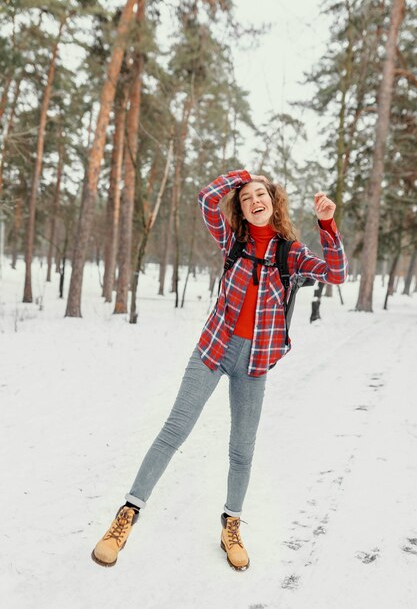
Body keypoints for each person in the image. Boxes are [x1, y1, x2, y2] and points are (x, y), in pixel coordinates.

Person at [92, 169, 348, 571]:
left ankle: (231, 524)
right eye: (246, 198)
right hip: (214, 350)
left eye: (260, 194)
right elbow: (205, 198)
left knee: (242, 451)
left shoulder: (290, 252)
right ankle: (127, 514)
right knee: (173, 431)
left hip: (255, 363)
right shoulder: (233, 239)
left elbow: (336, 274)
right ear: (241, 210)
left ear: (273, 201)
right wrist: (245, 175)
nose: (253, 200)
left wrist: (327, 223)